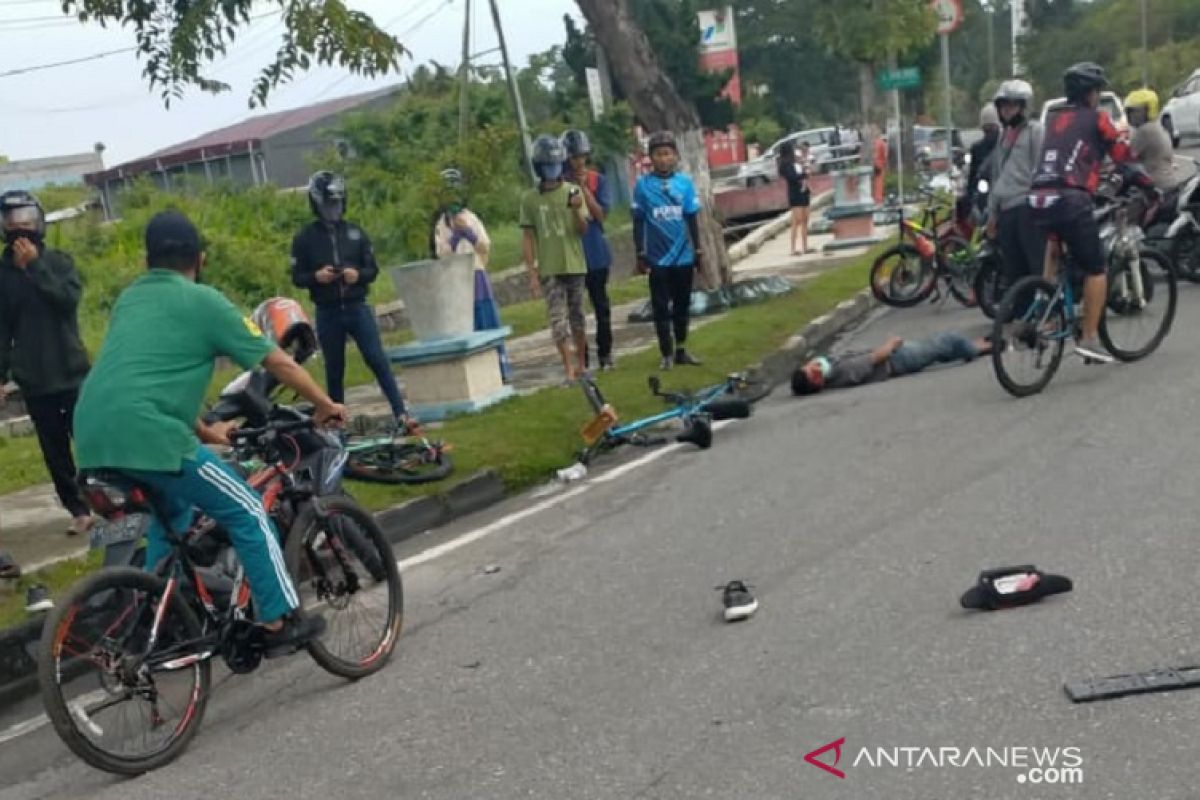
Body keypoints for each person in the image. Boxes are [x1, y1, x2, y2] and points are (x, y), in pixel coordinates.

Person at [74, 210, 343, 650]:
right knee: (248, 508)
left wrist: (203, 430)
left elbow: (147, 376)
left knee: (173, 517)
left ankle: (160, 621)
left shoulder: (130, 299)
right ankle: (279, 622)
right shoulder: (205, 302)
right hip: (152, 435)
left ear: (148, 261)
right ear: (200, 259)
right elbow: (276, 360)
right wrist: (325, 404)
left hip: (92, 433)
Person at [1029, 62, 1158, 364]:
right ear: (1090, 93)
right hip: (1070, 198)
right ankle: (1088, 338)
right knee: (1096, 268)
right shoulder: (1098, 119)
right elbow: (1123, 157)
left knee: (1054, 245)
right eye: (1097, 91)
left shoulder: (1054, 120)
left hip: (1037, 197)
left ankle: (1043, 312)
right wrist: (1148, 186)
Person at [0, 190, 94, 537]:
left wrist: (35, 266)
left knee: (90, 440)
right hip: (35, 380)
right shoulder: (3, 275)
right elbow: (2, 330)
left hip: (71, 373)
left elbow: (66, 301)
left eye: (25, 219)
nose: (19, 227)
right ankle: (78, 509)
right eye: (11, 221)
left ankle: (107, 500)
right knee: (55, 453)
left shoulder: (58, 262)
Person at [291, 171, 416, 431]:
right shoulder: (305, 238)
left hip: (357, 306)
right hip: (328, 310)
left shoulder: (356, 233)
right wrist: (317, 276)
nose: (333, 210)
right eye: (328, 205)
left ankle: (401, 413)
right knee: (334, 369)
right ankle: (337, 425)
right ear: (316, 204)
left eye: (336, 204)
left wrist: (357, 275)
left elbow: (372, 269)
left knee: (377, 359)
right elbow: (297, 277)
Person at [430, 167, 512, 383]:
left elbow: (485, 246)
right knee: (468, 324)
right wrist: (455, 236)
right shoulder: (441, 224)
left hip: (476, 275)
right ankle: (478, 374)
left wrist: (468, 232)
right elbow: (442, 254)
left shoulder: (470, 217)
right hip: (457, 279)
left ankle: (501, 366)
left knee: (487, 320)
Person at [632, 130, 705, 371]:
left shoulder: (684, 183)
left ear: (675, 156)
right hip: (658, 259)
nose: (663, 159)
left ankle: (682, 348)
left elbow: (692, 218)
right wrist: (640, 254)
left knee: (682, 305)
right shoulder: (643, 186)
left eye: (667, 153)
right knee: (661, 307)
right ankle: (666, 353)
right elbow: (638, 221)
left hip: (683, 256)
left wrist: (699, 250)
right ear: (650, 158)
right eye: (658, 154)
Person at [520, 134, 590, 383]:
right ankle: (568, 368)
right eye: (548, 165)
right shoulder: (529, 199)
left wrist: (577, 209)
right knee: (558, 320)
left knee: (577, 316)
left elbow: (583, 230)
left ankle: (582, 364)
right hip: (550, 268)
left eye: (556, 164)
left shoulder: (573, 191)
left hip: (574, 264)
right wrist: (532, 273)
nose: (553, 170)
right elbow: (528, 237)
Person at [791, 331, 994, 395]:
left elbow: (823, 360)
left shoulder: (831, 367)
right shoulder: (844, 371)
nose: (816, 366)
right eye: (814, 372)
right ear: (818, 383)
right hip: (898, 360)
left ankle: (976, 345)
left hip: (898, 360)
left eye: (811, 366)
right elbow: (875, 358)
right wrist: (891, 343)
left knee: (938, 351)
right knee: (945, 341)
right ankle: (980, 348)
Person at [563, 129, 616, 371]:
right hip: (572, 255)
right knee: (575, 311)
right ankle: (582, 360)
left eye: (582, 156)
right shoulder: (559, 185)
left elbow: (600, 214)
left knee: (601, 306)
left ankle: (605, 354)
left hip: (595, 254)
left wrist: (584, 189)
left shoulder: (597, 180)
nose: (579, 162)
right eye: (574, 157)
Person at [987, 79, 1046, 282]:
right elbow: (997, 177)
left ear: (1023, 106)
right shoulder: (1002, 137)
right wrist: (992, 214)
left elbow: (1041, 168)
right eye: (1003, 106)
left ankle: (1043, 306)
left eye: (1012, 105)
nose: (1006, 111)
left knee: (1036, 263)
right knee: (1012, 268)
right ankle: (1020, 311)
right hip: (1006, 210)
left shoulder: (1035, 132)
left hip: (1027, 208)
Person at [1124, 88, 1182, 194]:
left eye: (1138, 111)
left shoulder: (1145, 130)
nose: (1133, 115)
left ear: (1150, 110)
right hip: (1168, 184)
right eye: (1130, 111)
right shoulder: (1156, 126)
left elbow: (1127, 156)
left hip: (1157, 186)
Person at [967, 104, 1001, 215]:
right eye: (987, 129)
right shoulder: (977, 148)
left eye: (992, 128)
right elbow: (972, 176)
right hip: (985, 191)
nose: (990, 132)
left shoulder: (1005, 145)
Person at [779, 140, 812, 256]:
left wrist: (805, 166)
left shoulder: (797, 161)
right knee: (797, 220)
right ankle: (793, 248)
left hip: (804, 191)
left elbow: (805, 169)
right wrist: (803, 175)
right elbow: (792, 177)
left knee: (805, 219)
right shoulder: (786, 165)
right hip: (795, 192)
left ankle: (805, 246)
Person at [872, 129, 889, 205]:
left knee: (873, 182)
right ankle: (878, 198)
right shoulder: (882, 143)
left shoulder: (871, 143)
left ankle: (873, 197)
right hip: (879, 164)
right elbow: (885, 155)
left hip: (872, 164)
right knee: (879, 182)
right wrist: (885, 163)